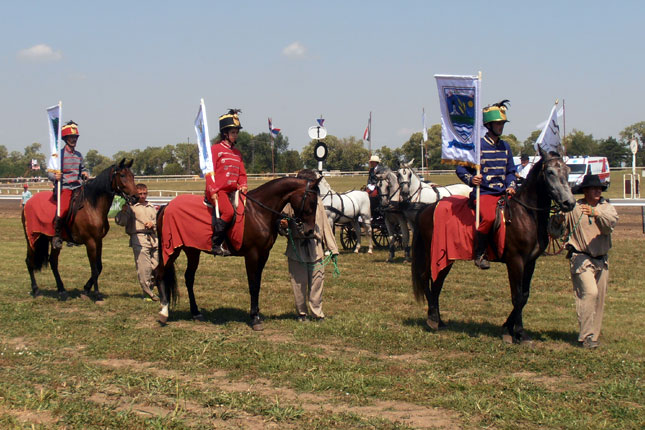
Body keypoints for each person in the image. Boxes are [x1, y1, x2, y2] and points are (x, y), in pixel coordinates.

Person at [552, 174, 618, 348]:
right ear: (585, 191)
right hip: (581, 258)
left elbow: (609, 225)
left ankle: (592, 336)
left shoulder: (607, 208)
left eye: (599, 189)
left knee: (599, 299)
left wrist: (596, 213)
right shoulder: (575, 207)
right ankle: (586, 336)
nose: (597, 191)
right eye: (593, 188)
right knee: (590, 293)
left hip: (601, 260)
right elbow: (556, 231)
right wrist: (557, 221)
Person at [456, 100, 517, 270]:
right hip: (484, 193)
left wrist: (511, 184)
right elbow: (460, 169)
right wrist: (471, 179)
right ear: (489, 125)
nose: (501, 126)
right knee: (490, 218)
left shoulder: (506, 146)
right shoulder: (476, 147)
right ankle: (480, 253)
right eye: (498, 123)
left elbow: (511, 170)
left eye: (502, 123)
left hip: (504, 192)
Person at [281, 169, 339, 322]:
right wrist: (283, 225)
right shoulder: (289, 204)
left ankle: (317, 312)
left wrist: (333, 248)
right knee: (298, 283)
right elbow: (282, 228)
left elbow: (326, 225)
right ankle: (301, 313)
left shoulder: (317, 202)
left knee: (317, 282)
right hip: (297, 249)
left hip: (316, 248)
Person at [205, 109, 248, 256]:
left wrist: (243, 185)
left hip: (233, 191)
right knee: (229, 212)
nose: (236, 135)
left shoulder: (237, 153)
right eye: (233, 132)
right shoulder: (215, 149)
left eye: (237, 132)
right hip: (219, 191)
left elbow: (242, 173)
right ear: (225, 133)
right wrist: (213, 190)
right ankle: (216, 243)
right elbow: (209, 172)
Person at [47, 121, 90, 249]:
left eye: (75, 138)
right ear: (65, 139)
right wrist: (55, 177)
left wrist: (85, 173)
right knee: (64, 209)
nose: (74, 140)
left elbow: (83, 168)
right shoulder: (58, 155)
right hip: (65, 187)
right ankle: (57, 235)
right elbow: (48, 172)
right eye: (71, 138)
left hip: (78, 187)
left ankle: (75, 234)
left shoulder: (79, 155)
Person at [115, 183, 159, 300]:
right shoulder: (131, 207)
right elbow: (121, 222)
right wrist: (123, 212)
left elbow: (158, 223)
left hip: (154, 238)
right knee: (144, 267)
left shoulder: (151, 206)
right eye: (140, 194)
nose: (143, 196)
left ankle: (152, 287)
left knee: (156, 266)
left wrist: (153, 225)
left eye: (145, 193)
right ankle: (147, 293)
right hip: (139, 238)